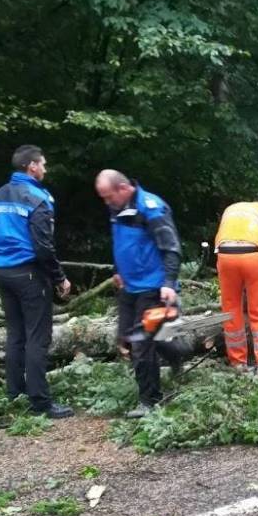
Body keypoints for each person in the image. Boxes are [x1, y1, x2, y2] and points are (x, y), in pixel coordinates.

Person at [0, 145, 73, 418]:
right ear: (32, 166)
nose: (46, 169)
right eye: (43, 164)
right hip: (29, 273)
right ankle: (40, 402)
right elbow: (43, 246)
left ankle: (14, 394)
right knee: (38, 337)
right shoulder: (37, 197)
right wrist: (59, 278)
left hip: (3, 271)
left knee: (15, 335)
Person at [95, 169, 184, 417]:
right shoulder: (117, 208)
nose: (107, 202)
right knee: (125, 337)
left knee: (140, 343)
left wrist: (168, 282)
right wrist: (118, 270)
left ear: (124, 189)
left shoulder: (151, 208)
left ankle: (149, 401)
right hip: (129, 286)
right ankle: (177, 353)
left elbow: (171, 248)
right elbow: (121, 243)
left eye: (108, 196)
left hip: (152, 286)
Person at [215, 201, 258, 370]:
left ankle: (238, 363)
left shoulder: (231, 208)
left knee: (230, 310)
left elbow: (219, 238)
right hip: (254, 255)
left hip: (225, 254)